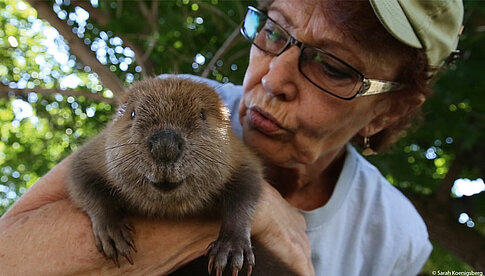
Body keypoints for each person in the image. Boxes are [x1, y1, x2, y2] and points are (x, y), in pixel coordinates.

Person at [0, 0, 464, 275]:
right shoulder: (177, 98)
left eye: (335, 67)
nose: (272, 76)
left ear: (388, 110)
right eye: (272, 30)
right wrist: (245, 215)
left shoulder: (396, 238)